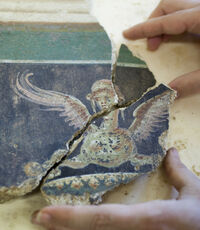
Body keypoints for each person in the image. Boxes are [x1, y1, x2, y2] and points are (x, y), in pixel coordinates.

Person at [30, 0, 200, 229]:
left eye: (108, 95)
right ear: (92, 100)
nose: (104, 100)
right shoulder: (85, 123)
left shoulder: (136, 124)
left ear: (117, 97)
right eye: (99, 97)